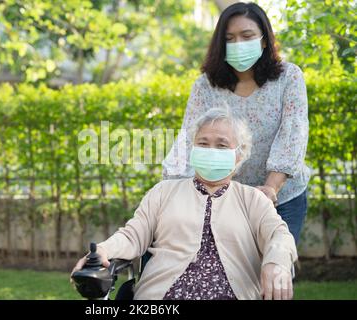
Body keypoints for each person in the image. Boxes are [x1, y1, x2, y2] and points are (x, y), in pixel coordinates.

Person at [72, 108, 297, 300]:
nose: (211, 150)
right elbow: (133, 236)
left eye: (221, 145)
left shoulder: (253, 199)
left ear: (240, 155)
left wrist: (276, 261)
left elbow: (279, 235)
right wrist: (102, 250)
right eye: (203, 143)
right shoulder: (163, 192)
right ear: (192, 149)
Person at [162, 2, 310, 243]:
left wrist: (271, 188)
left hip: (282, 197)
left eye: (247, 36)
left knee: (275, 265)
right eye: (230, 38)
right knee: (233, 273)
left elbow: (293, 134)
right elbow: (189, 137)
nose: (238, 44)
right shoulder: (206, 85)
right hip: (227, 200)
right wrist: (170, 187)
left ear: (263, 40)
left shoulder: (289, 77)